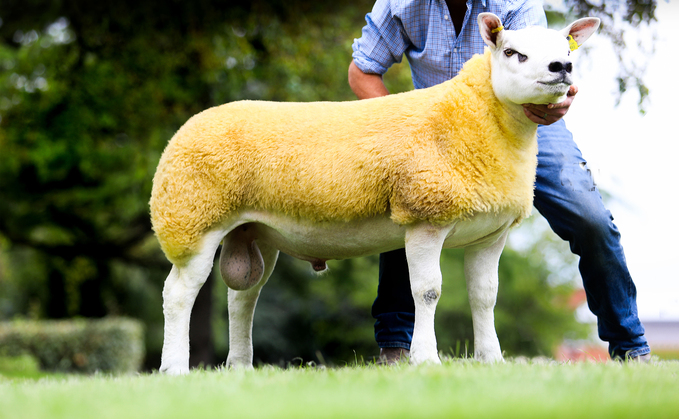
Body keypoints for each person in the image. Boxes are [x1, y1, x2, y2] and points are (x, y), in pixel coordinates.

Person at [348, 0, 651, 363]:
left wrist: (556, 102)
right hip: (436, 129)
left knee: (587, 215)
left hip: (520, 119)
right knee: (413, 202)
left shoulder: (514, 3)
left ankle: (631, 345)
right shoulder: (401, 4)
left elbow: (550, 63)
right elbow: (362, 70)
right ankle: (396, 346)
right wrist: (404, 129)